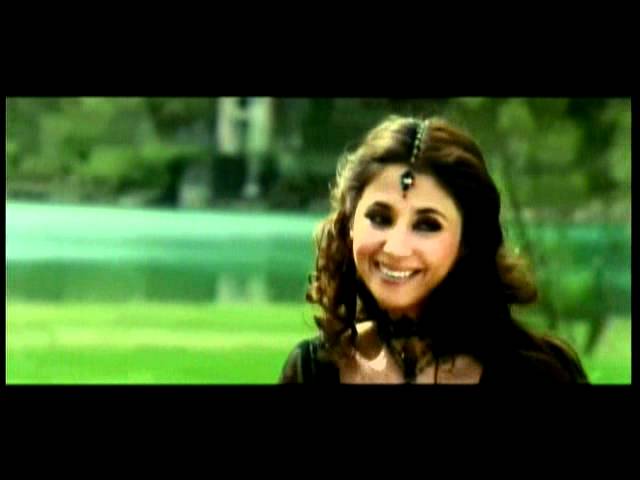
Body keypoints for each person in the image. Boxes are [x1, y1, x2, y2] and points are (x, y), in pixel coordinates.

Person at [279, 115, 589, 384]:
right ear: (349, 225)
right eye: (380, 218)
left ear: (468, 241)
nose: (396, 247)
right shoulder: (313, 370)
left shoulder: (536, 374)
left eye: (427, 225)